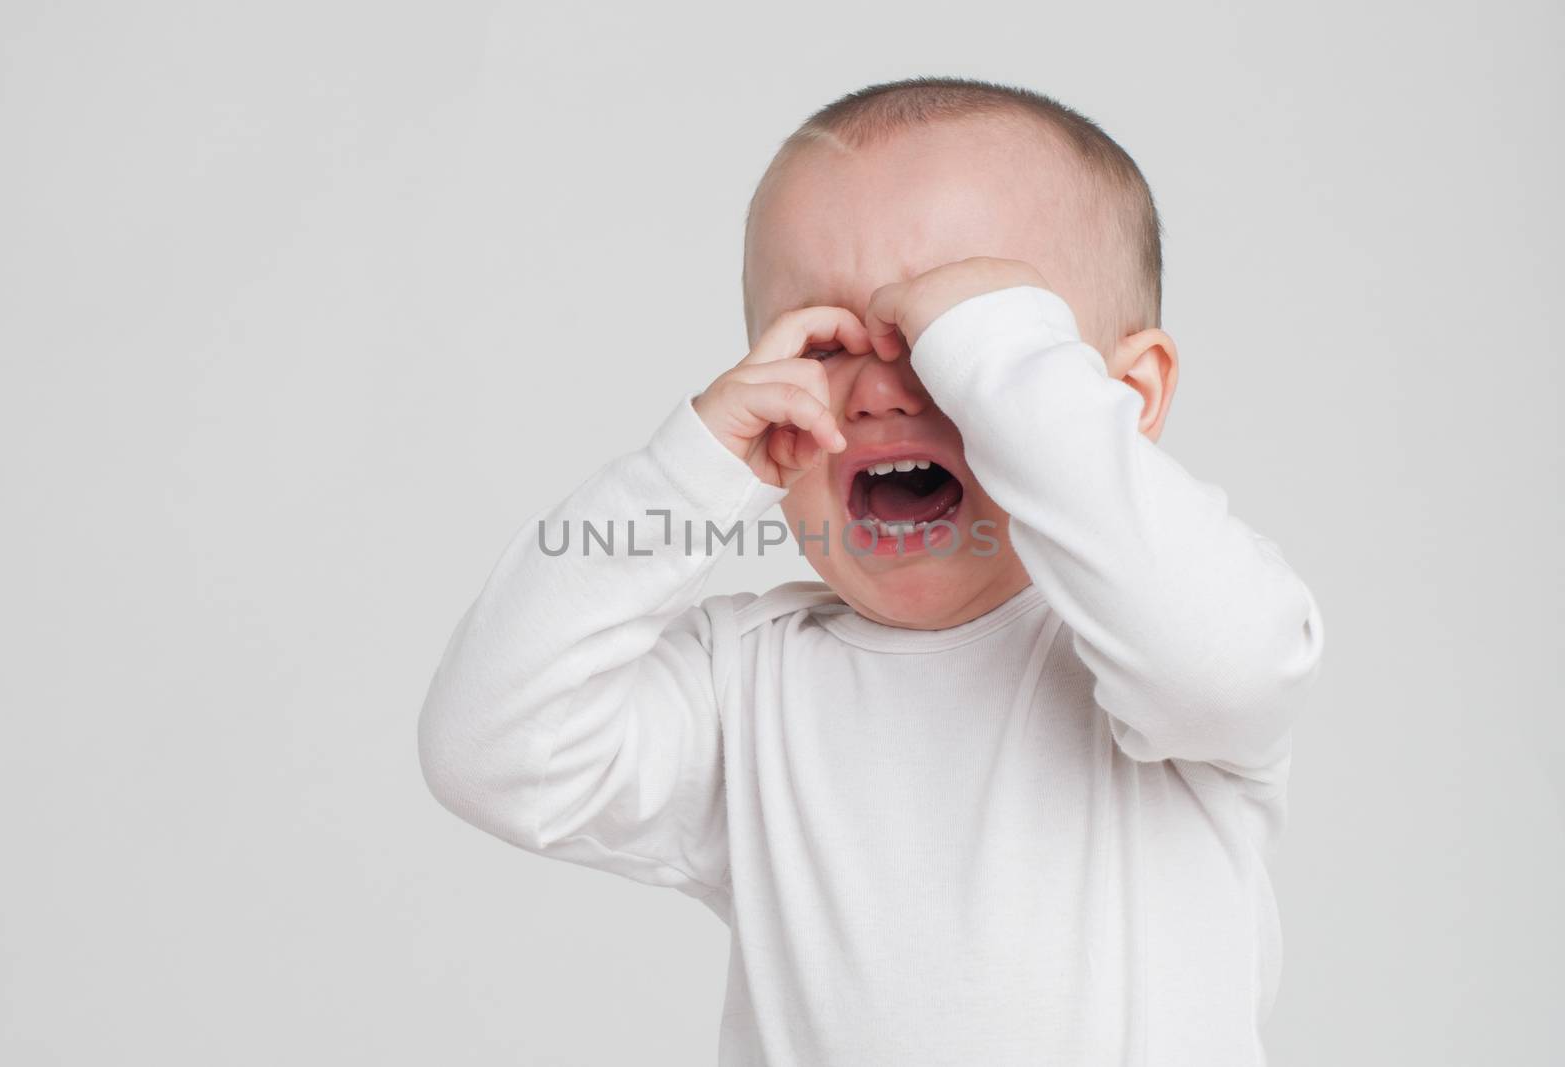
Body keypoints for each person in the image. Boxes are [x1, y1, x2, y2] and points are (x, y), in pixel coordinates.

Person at [417, 75, 1326, 1066]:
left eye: (956, 338)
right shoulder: (749, 683)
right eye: (826, 340)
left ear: (1122, 395)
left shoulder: (1162, 660)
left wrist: (1005, 374)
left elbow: (1215, 654)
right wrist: (685, 475)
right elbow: (490, 747)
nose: (883, 389)